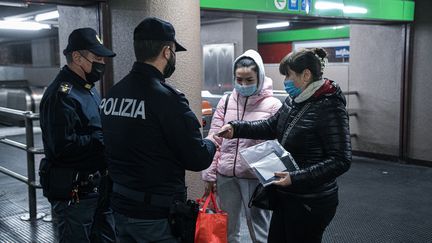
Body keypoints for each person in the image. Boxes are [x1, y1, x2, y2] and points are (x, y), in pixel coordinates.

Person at [100, 17, 216, 242]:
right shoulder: (168, 100)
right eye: (174, 51)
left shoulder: (114, 93)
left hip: (120, 207)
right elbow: (197, 158)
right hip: (155, 217)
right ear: (166, 52)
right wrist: (212, 141)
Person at [218, 48, 352, 243]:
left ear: (306, 75)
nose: (285, 81)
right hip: (288, 195)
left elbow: (341, 160)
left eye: (288, 75)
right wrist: (236, 128)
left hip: (311, 200)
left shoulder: (329, 106)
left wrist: (295, 178)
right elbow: (270, 126)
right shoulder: (295, 100)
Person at [39, 28, 116, 242]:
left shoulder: (88, 89)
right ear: (76, 57)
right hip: (77, 195)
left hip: (99, 190)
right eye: (97, 58)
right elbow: (61, 147)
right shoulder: (61, 95)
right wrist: (102, 140)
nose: (102, 63)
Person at [201, 49, 281, 243]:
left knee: (260, 231)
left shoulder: (273, 105)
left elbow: (276, 145)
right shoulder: (226, 101)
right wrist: (210, 175)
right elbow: (214, 139)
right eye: (239, 79)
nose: (243, 84)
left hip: (256, 177)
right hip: (226, 175)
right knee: (227, 230)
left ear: (260, 77)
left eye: (249, 80)